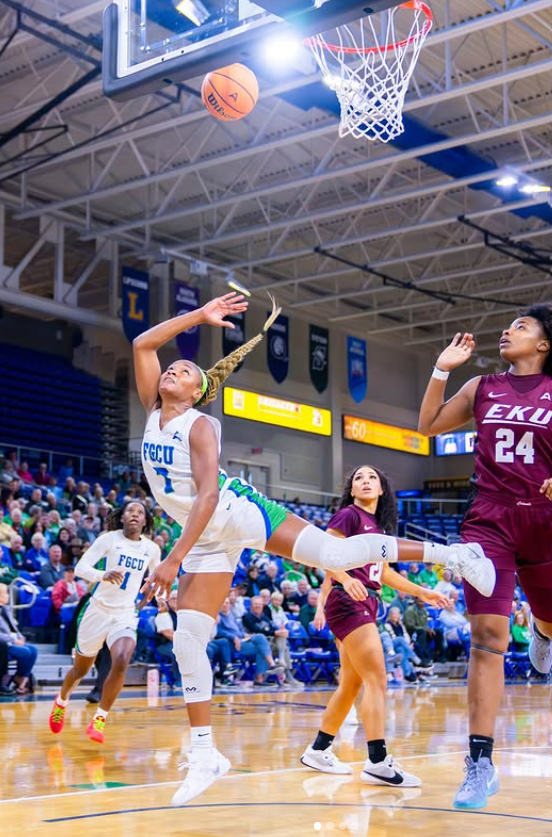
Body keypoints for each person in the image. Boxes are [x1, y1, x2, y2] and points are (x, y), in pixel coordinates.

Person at [133, 292, 494, 806]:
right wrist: (199, 316)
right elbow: (143, 342)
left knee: (337, 556)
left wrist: (172, 558)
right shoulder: (153, 407)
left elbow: (210, 495)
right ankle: (205, 751)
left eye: (186, 369)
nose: (173, 369)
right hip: (204, 533)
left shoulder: (198, 425)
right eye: (173, 367)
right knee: (188, 636)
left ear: (199, 391)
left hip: (235, 513)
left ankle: (456, 556)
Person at [417, 304, 552, 809]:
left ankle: (542, 629)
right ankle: (480, 762)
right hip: (489, 520)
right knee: (487, 637)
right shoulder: (482, 387)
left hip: (545, 519)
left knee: (550, 619)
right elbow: (428, 424)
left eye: (522, 326)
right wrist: (441, 370)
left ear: (543, 344)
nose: (508, 330)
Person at [300, 465, 450, 785]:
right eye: (358, 478)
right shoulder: (349, 516)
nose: (365, 481)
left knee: (352, 684)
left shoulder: (379, 529)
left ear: (382, 489)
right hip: (348, 600)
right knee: (377, 680)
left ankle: (318, 750)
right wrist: (343, 577)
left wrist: (422, 591)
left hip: (364, 599)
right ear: (352, 490)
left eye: (372, 478)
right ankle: (378, 761)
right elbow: (322, 552)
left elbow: (385, 574)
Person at [48, 501, 160, 744]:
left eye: (140, 512)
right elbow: (80, 567)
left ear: (144, 521)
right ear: (121, 517)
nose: (134, 514)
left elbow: (156, 579)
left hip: (124, 614)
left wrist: (156, 595)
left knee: (121, 660)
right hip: (97, 610)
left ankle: (100, 718)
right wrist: (102, 575)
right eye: (130, 510)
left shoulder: (151, 549)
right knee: (81, 669)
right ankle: (62, 700)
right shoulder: (109, 539)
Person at [0, 582, 38, 693]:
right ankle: (18, 679)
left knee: (33, 650)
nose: (8, 596)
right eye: (6, 593)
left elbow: (14, 629)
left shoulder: (6, 609)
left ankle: (21, 677)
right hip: (3, 644)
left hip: (11, 641)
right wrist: (14, 640)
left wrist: (20, 638)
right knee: (25, 652)